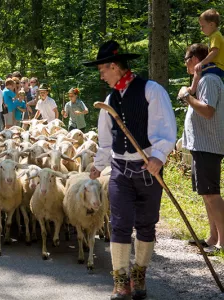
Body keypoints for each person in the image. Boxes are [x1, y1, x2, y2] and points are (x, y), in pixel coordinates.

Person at [85, 40, 176, 300]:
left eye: (102, 70)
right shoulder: (109, 100)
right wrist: (98, 165)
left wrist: (158, 156)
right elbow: (105, 140)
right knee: (120, 224)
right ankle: (120, 280)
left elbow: (166, 129)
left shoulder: (151, 90)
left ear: (114, 66)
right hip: (120, 170)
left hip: (148, 169)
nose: (101, 76)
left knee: (146, 225)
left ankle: (139, 274)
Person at [178, 43, 224, 256]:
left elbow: (208, 111)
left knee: (212, 194)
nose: (185, 63)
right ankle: (213, 237)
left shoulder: (209, 80)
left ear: (195, 59)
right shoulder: (203, 80)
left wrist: (187, 96)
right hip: (201, 145)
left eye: (187, 58)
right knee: (207, 193)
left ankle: (222, 243)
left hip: (209, 145)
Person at [189, 9, 224, 95]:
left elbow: (214, 52)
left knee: (198, 69)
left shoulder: (215, 36)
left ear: (211, 24)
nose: (201, 29)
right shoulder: (214, 36)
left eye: (203, 26)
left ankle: (192, 90)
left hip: (217, 66)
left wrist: (201, 63)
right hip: (215, 65)